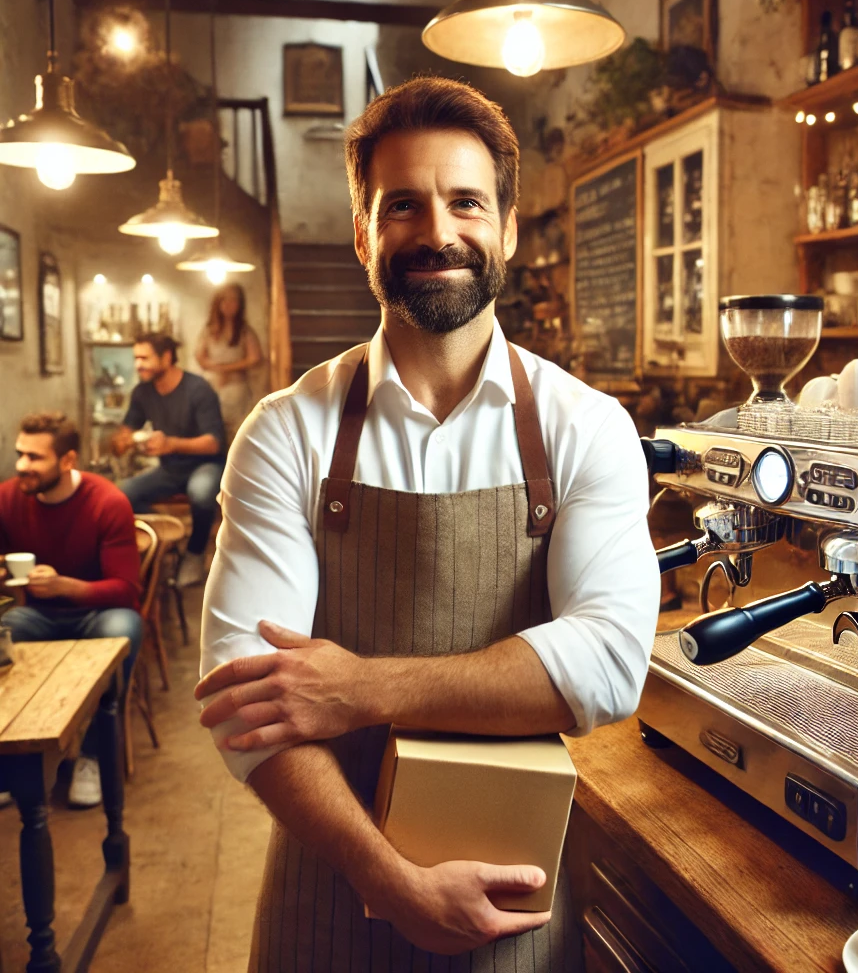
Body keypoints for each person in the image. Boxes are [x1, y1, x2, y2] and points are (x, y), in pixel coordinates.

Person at [195, 76, 660, 972]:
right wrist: (386, 876)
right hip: (326, 885)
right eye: (403, 204)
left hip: (512, 898)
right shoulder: (287, 431)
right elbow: (246, 704)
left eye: (466, 203)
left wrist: (360, 688)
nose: (438, 232)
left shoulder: (584, 425)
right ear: (364, 232)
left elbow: (606, 665)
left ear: (509, 230)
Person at [0, 412, 142, 808]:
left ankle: (92, 756)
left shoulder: (107, 502)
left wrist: (67, 587)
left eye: (34, 458)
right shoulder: (8, 497)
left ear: (67, 461)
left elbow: (127, 588)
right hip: (38, 613)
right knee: (7, 629)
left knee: (124, 629)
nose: (21, 466)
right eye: (20, 454)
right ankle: (12, 763)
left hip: (98, 611)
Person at [114, 332, 226, 588]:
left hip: (205, 464)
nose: (138, 364)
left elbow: (214, 443)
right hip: (169, 468)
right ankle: (169, 535)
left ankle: (194, 555)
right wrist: (123, 441)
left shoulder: (198, 389)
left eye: (144, 357)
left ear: (166, 357)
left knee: (201, 492)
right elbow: (125, 433)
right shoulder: (142, 392)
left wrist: (171, 443)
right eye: (135, 358)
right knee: (122, 495)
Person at [195, 283, 263, 445]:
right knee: (212, 430)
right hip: (213, 387)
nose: (228, 305)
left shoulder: (244, 331)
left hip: (235, 389)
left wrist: (227, 368)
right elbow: (200, 357)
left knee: (237, 434)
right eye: (224, 300)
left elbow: (255, 358)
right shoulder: (209, 330)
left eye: (233, 300)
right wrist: (217, 369)